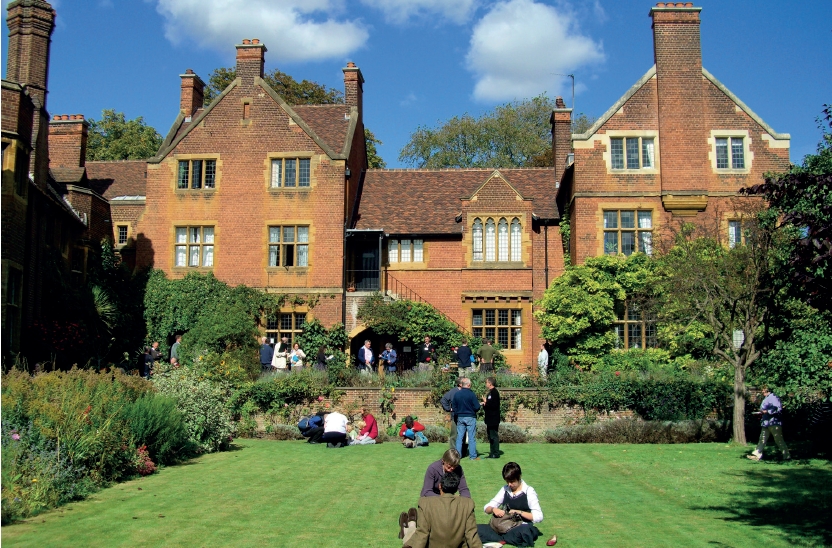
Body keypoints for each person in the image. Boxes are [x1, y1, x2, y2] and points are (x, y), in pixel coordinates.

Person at [399, 472, 482, 548]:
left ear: (440, 486)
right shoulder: (467, 504)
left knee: (411, 534)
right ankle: (410, 525)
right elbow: (471, 535)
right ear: (456, 489)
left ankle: (409, 525)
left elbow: (422, 533)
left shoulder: (426, 503)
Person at [479, 462, 543, 547]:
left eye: (512, 481)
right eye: (507, 481)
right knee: (474, 529)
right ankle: (503, 539)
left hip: (519, 527)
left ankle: (498, 539)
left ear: (519, 477)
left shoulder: (529, 491)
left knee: (525, 532)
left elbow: (539, 516)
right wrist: (494, 509)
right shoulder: (505, 489)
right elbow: (487, 507)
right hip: (503, 525)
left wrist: (519, 512)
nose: (509, 484)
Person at [748, 386, 791, 461]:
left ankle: (786, 455)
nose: (762, 392)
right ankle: (757, 454)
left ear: (767, 390)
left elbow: (778, 408)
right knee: (762, 438)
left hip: (774, 422)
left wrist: (767, 411)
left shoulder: (773, 397)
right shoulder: (766, 398)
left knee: (778, 439)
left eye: (763, 390)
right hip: (766, 422)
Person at [452, 378, 481, 460]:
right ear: (468, 385)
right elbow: (477, 407)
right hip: (470, 417)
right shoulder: (471, 394)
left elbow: (453, 407)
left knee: (459, 437)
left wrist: (458, 412)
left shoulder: (457, 394)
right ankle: (473, 456)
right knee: (471, 437)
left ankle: (457, 456)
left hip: (460, 417)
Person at [441, 377, 464, 452]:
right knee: (454, 435)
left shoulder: (466, 391)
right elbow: (443, 400)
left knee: (464, 435)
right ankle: (453, 451)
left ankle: (463, 451)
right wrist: (448, 408)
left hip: (464, 416)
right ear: (460, 384)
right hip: (455, 416)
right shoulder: (453, 391)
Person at [483, 377, 501, 459]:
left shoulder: (494, 393)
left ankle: (496, 453)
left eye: (486, 382)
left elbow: (494, 405)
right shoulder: (490, 393)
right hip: (490, 418)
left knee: (494, 435)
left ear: (490, 383)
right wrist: (485, 404)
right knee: (490, 436)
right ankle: (492, 452)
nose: (486, 384)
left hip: (493, 418)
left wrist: (486, 402)